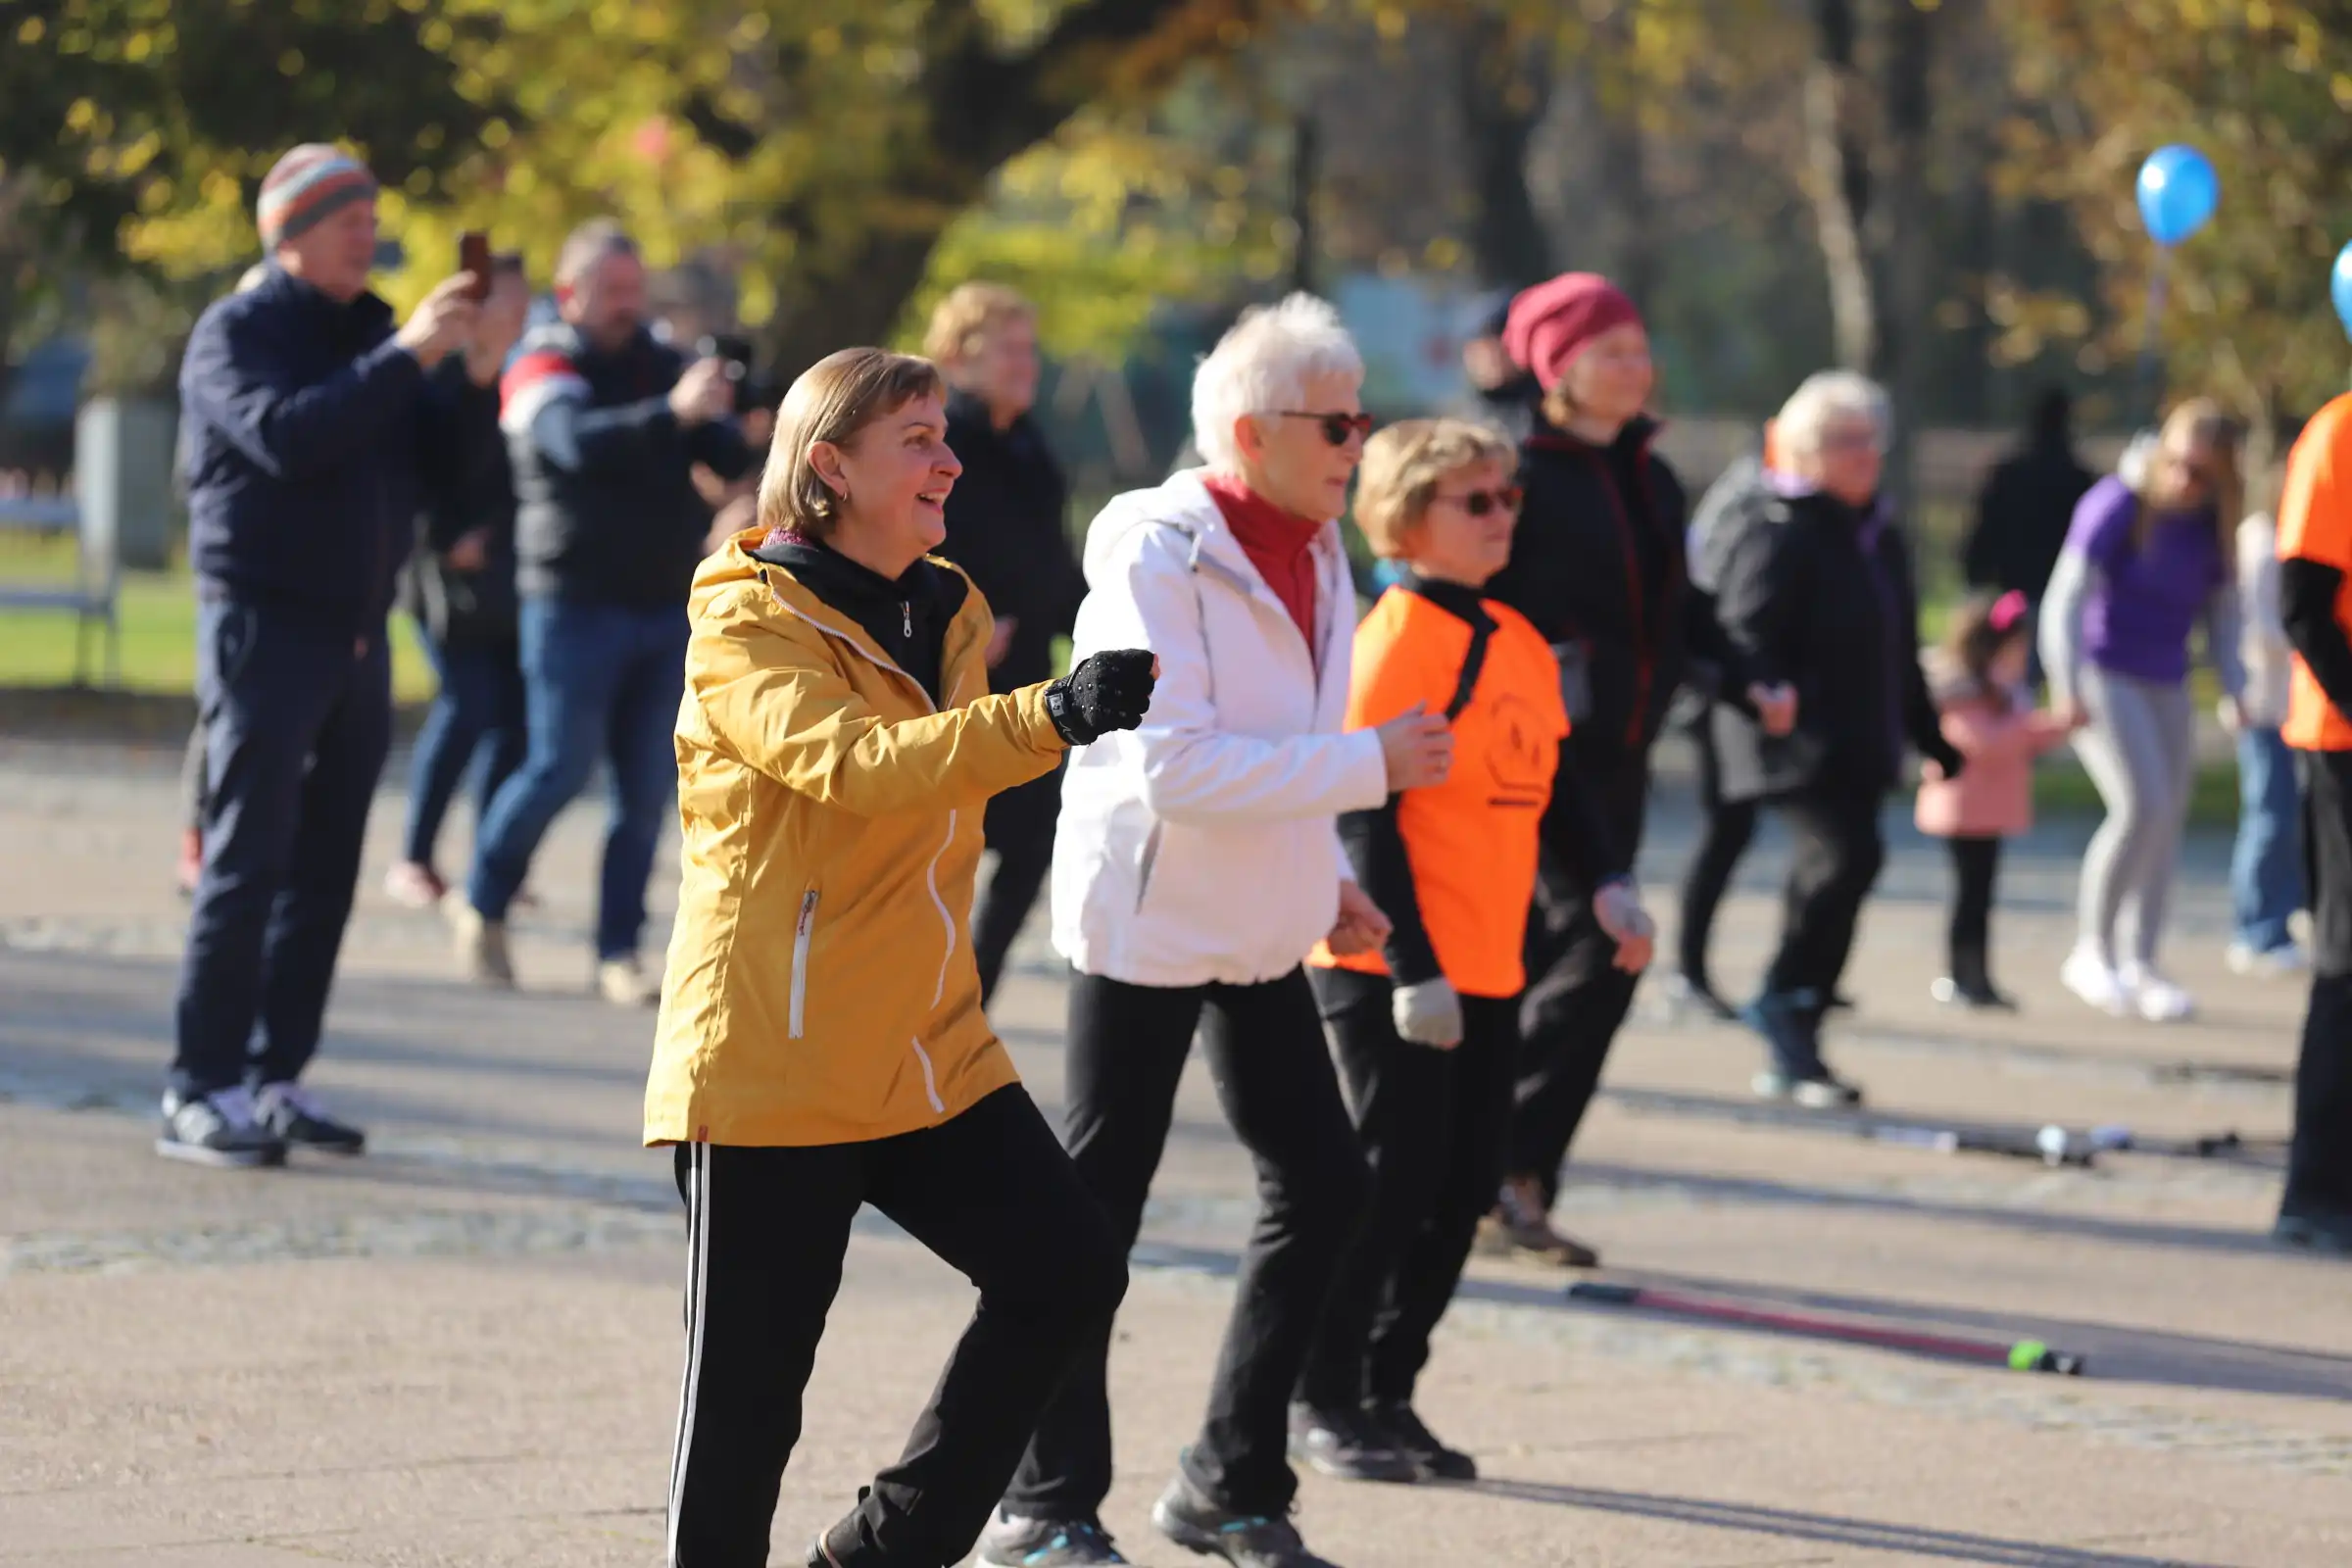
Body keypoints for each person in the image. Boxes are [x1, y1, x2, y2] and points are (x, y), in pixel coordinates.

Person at [652, 347, 1156, 1566]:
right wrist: (1050, 713)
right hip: (775, 1056)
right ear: (830, 466)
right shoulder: (744, 620)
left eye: (944, 432)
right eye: (917, 439)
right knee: (747, 1410)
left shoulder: (948, 602)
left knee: (1069, 1271)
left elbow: (944, 788)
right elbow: (860, 766)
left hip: (928, 1045)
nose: (950, 458)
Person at [983, 296, 1453, 1568]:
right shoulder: (1155, 545)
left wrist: (1327, 878)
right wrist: (1373, 766)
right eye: (1340, 419)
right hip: (1145, 916)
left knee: (1325, 1184)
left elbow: (1288, 746)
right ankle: (1044, 1503)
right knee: (1092, 1219)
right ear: (1251, 433)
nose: (1362, 440)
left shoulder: (1320, 546)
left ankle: (1230, 1483)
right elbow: (1176, 769)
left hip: (1259, 916)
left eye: (1367, 416)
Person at [1294, 418, 1653, 1488]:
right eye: (1477, 501)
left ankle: (1391, 1389)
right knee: (1387, 1186)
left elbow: (1562, 782)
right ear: (1407, 519)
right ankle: (1327, 1392)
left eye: (1508, 499)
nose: (1503, 517)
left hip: (1493, 964)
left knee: (1459, 1193)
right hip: (1391, 970)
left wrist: (1608, 882)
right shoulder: (1394, 639)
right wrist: (1412, 970)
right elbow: (1364, 814)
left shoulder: (1517, 636)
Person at [166, 145, 503, 1167]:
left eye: (371, 214)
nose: (369, 231)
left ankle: (276, 1077)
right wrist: (409, 355)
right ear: (290, 231)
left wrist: (475, 376)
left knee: (324, 869)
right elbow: (286, 437)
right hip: (264, 625)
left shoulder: (372, 330)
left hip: (357, 632)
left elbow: (452, 478)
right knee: (247, 860)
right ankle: (200, 1086)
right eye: (347, 216)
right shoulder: (239, 330)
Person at [1477, 273, 1790, 1264]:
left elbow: (1683, 608)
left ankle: (1501, 1179)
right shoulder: (1517, 470)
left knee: (1557, 958)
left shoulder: (1651, 475)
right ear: (1558, 367)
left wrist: (1745, 679)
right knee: (1600, 947)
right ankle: (1492, 1169)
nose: (1635, 367)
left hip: (1620, 756)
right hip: (1526, 756)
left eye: (1639, 349)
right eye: (1611, 352)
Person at [452, 220, 756, 1005]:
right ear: (570, 294)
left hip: (662, 604)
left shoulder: (664, 365)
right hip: (571, 601)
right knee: (558, 766)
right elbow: (573, 443)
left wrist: (738, 417)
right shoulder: (541, 361)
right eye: (612, 292)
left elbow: (719, 456)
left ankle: (618, 951)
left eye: (634, 290)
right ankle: (483, 900)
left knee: (647, 788)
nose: (628, 306)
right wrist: (677, 414)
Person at [1706, 371, 1962, 1105]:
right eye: (1847, 443)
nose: (1866, 455)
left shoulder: (1877, 533)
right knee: (1843, 858)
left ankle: (1798, 1005)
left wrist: (1931, 738)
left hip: (1862, 739)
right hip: (1797, 741)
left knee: (1847, 867)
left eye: (1871, 441)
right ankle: (1787, 1012)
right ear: (1808, 452)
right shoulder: (1779, 528)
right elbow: (1743, 633)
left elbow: (1898, 645)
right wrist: (1770, 691)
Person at [2039, 400, 2248, 1023]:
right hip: (2104, 673)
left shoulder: (2212, 524)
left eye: (2202, 473)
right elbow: (2065, 597)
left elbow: (2222, 617)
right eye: (2179, 464)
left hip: (2167, 677)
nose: (2186, 480)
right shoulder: (2118, 504)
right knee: (2140, 806)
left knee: (2168, 818)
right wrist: (2065, 683)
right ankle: (2092, 950)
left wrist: (2237, 686)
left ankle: (2143, 960)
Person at [925, 282, 1088, 1003]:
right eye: (1010, 349)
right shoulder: (935, 442)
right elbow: (909, 551)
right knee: (940, 846)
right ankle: (917, 990)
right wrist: (961, 624)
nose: (1028, 364)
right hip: (942, 677)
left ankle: (967, 992)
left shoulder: (1029, 444)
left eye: (1032, 348)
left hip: (1020, 681)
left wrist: (1100, 625)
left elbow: (1051, 559)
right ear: (959, 355)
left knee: (1030, 838)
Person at [384, 253, 534, 909]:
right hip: (443, 579)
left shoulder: (527, 377)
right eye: (506, 301)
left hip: (510, 578)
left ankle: (489, 866)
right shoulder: (436, 377)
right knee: (466, 704)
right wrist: (444, 541)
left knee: (512, 720)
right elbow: (416, 473)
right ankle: (413, 857)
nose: (518, 315)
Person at [2270, 388, 2352, 1255]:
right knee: (2348, 963)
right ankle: (2317, 1190)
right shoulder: (2340, 432)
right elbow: (2302, 604)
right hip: (2345, 741)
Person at [1915, 591, 2078, 1009]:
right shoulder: (1962, 692)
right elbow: (1987, 743)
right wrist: (2051, 725)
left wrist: (2053, 727)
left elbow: (2014, 737)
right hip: (1963, 811)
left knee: (1980, 898)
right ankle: (1960, 976)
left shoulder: (2001, 691)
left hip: (1986, 812)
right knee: (1969, 898)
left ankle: (1977, 977)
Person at [1671, 423, 1777, 1019]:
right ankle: (1689, 970)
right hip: (1718, 695)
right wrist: (1732, 680)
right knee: (1724, 829)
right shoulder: (1749, 507)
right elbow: (1710, 607)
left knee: (1733, 830)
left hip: (1737, 686)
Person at [2227, 494, 2308, 976]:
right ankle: (2257, 928)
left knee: (2292, 815)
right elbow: (2260, 630)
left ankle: (2281, 916)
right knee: (2269, 817)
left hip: (2292, 702)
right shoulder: (2259, 540)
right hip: (2264, 702)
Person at [1963, 385, 2096, 603]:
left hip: (2012, 587)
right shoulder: (2077, 479)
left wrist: (1977, 576)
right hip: (2058, 589)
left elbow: (1986, 529)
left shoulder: (2010, 473)